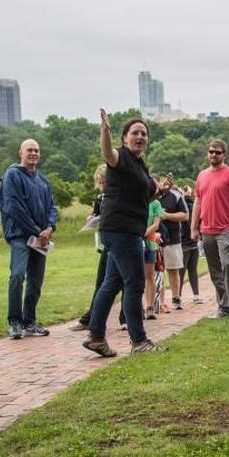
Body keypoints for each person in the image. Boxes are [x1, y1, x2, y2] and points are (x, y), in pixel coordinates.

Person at [83, 109, 162, 356]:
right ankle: (139, 341)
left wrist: (160, 191)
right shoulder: (122, 158)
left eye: (144, 134)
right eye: (135, 133)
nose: (140, 137)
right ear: (124, 137)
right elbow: (107, 153)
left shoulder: (139, 164)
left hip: (124, 229)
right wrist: (104, 129)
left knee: (112, 282)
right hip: (121, 229)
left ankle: (96, 337)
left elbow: (145, 196)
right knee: (135, 283)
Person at [0, 139, 58, 340]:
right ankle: (15, 322)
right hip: (20, 236)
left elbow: (52, 206)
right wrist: (36, 230)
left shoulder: (43, 180)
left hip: (41, 239)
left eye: (36, 150)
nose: (33, 153)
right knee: (17, 276)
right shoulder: (12, 175)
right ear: (20, 153)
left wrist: (49, 228)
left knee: (35, 281)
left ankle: (30, 321)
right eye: (29, 150)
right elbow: (14, 207)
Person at [190, 139, 229, 321]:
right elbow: (198, 202)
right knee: (215, 271)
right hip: (207, 230)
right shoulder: (202, 175)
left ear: (224, 155)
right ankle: (224, 307)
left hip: (225, 230)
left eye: (218, 152)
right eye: (211, 151)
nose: (213, 154)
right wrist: (194, 227)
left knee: (228, 266)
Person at [72, 165, 108, 331]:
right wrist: (92, 218)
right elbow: (95, 214)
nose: (102, 184)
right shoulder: (100, 198)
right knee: (103, 282)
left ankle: (95, 320)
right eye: (100, 182)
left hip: (119, 240)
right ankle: (92, 319)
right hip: (106, 241)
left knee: (117, 283)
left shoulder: (118, 195)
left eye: (104, 180)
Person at [157, 175, 188, 311]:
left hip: (172, 238)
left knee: (173, 269)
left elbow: (185, 215)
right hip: (155, 239)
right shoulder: (150, 196)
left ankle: (176, 298)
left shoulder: (175, 195)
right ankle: (160, 301)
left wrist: (166, 215)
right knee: (157, 271)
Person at [178, 185, 202, 304]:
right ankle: (178, 296)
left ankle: (194, 294)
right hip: (186, 242)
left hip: (190, 242)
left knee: (189, 270)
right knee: (185, 270)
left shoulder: (191, 205)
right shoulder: (184, 205)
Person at [143, 182, 163, 319]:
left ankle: (149, 306)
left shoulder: (155, 203)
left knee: (149, 275)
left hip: (149, 242)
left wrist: (144, 232)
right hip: (134, 240)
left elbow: (156, 223)